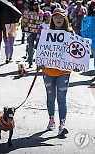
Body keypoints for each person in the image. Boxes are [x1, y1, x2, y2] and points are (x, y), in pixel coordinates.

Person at [38, 8, 72, 136]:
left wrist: (78, 64)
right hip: (48, 71)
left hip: (64, 71)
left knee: (62, 98)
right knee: (51, 97)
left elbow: (75, 53)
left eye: (61, 17)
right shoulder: (46, 33)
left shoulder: (70, 34)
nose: (58, 19)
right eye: (56, 17)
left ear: (65, 19)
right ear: (52, 19)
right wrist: (39, 62)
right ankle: (51, 120)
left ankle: (62, 124)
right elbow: (41, 50)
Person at [22, 0, 44, 68]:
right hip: (30, 32)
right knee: (30, 47)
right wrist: (24, 29)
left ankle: (38, 63)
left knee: (39, 48)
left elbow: (43, 20)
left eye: (36, 5)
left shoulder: (41, 12)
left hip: (38, 32)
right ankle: (30, 61)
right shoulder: (27, 12)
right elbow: (24, 21)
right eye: (34, 5)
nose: (35, 6)